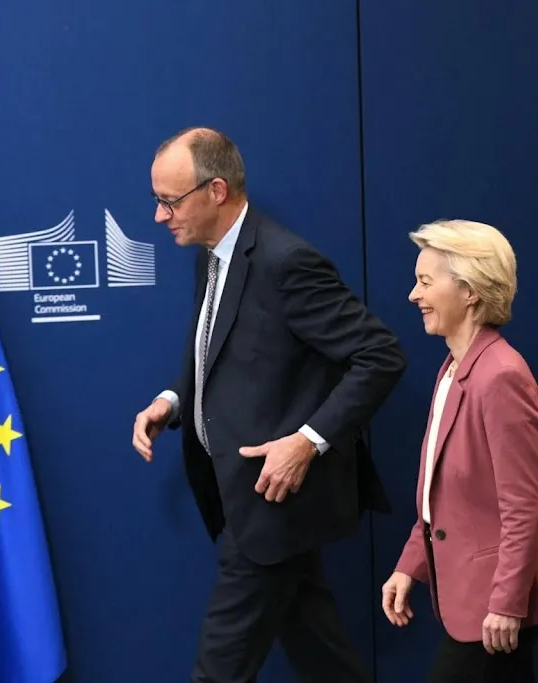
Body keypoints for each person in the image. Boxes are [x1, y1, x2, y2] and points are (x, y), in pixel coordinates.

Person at [131, 126, 406, 683]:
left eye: (169, 201)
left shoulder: (286, 262)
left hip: (269, 506)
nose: (159, 216)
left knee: (219, 672)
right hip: (246, 500)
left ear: (216, 191)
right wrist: (174, 400)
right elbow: (223, 353)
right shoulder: (210, 256)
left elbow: (380, 355)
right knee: (324, 657)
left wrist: (308, 442)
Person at [380, 219, 538, 683]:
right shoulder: (454, 369)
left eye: (425, 281)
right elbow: (443, 494)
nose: (413, 295)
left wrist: (506, 603)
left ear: (469, 291)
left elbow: (525, 507)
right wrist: (411, 565)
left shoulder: (500, 377)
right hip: (475, 599)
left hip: (495, 606)